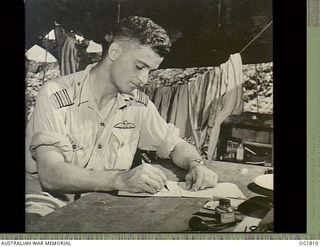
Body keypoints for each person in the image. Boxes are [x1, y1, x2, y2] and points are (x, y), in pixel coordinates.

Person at [25, 16, 218, 222]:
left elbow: (175, 144)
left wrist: (197, 165)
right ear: (115, 52)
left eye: (150, 71)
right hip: (48, 203)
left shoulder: (138, 103)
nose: (144, 79)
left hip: (100, 204)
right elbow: (50, 174)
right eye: (139, 66)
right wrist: (120, 180)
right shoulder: (56, 94)